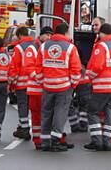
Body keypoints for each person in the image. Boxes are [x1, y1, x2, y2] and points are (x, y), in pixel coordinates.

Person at [35, 22, 82, 152]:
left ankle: (45, 141)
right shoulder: (70, 48)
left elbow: (38, 67)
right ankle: (55, 141)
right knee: (60, 114)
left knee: (46, 113)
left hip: (47, 85)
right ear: (66, 32)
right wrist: (73, 84)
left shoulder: (44, 46)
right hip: (64, 87)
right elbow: (76, 68)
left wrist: (42, 81)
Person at [70, 16, 106, 132]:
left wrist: (90, 75)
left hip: (100, 80)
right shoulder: (96, 40)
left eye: (96, 25)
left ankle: (100, 136)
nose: (94, 27)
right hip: (95, 80)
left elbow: (99, 63)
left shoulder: (102, 42)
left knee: (96, 109)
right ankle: (102, 134)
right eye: (93, 25)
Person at [85, 23, 111, 151]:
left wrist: (89, 76)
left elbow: (97, 66)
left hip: (103, 85)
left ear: (102, 33)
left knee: (92, 111)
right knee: (110, 113)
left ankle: (97, 141)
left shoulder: (102, 46)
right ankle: (107, 142)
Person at [24, 26, 53, 149]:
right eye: (47, 35)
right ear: (41, 35)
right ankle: (37, 140)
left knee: (47, 115)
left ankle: (46, 138)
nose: (49, 38)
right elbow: (28, 67)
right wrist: (39, 78)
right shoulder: (32, 48)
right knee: (36, 115)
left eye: (51, 36)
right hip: (35, 90)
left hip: (47, 89)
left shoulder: (48, 47)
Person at [8, 27, 34, 140]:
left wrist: (11, 81)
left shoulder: (18, 48)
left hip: (22, 83)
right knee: (33, 107)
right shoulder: (35, 45)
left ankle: (24, 129)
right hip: (34, 83)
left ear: (19, 35)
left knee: (23, 106)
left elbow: (14, 66)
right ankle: (28, 128)